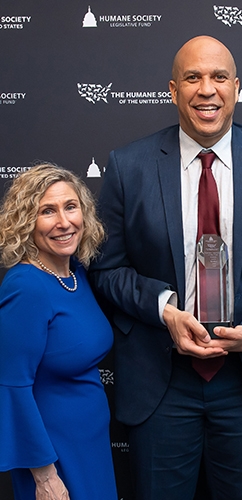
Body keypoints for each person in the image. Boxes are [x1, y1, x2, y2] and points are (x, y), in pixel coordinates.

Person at [89, 35, 242, 499]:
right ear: (173, 90)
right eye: (193, 77)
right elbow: (107, 270)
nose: (206, 89)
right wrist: (166, 310)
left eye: (218, 77)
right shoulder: (128, 166)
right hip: (162, 381)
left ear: (236, 87)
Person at [0, 163, 117, 500]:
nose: (64, 223)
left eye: (70, 207)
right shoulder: (26, 287)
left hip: (90, 443)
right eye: (47, 212)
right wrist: (45, 476)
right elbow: (12, 384)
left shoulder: (75, 273)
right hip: (54, 455)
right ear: (26, 222)